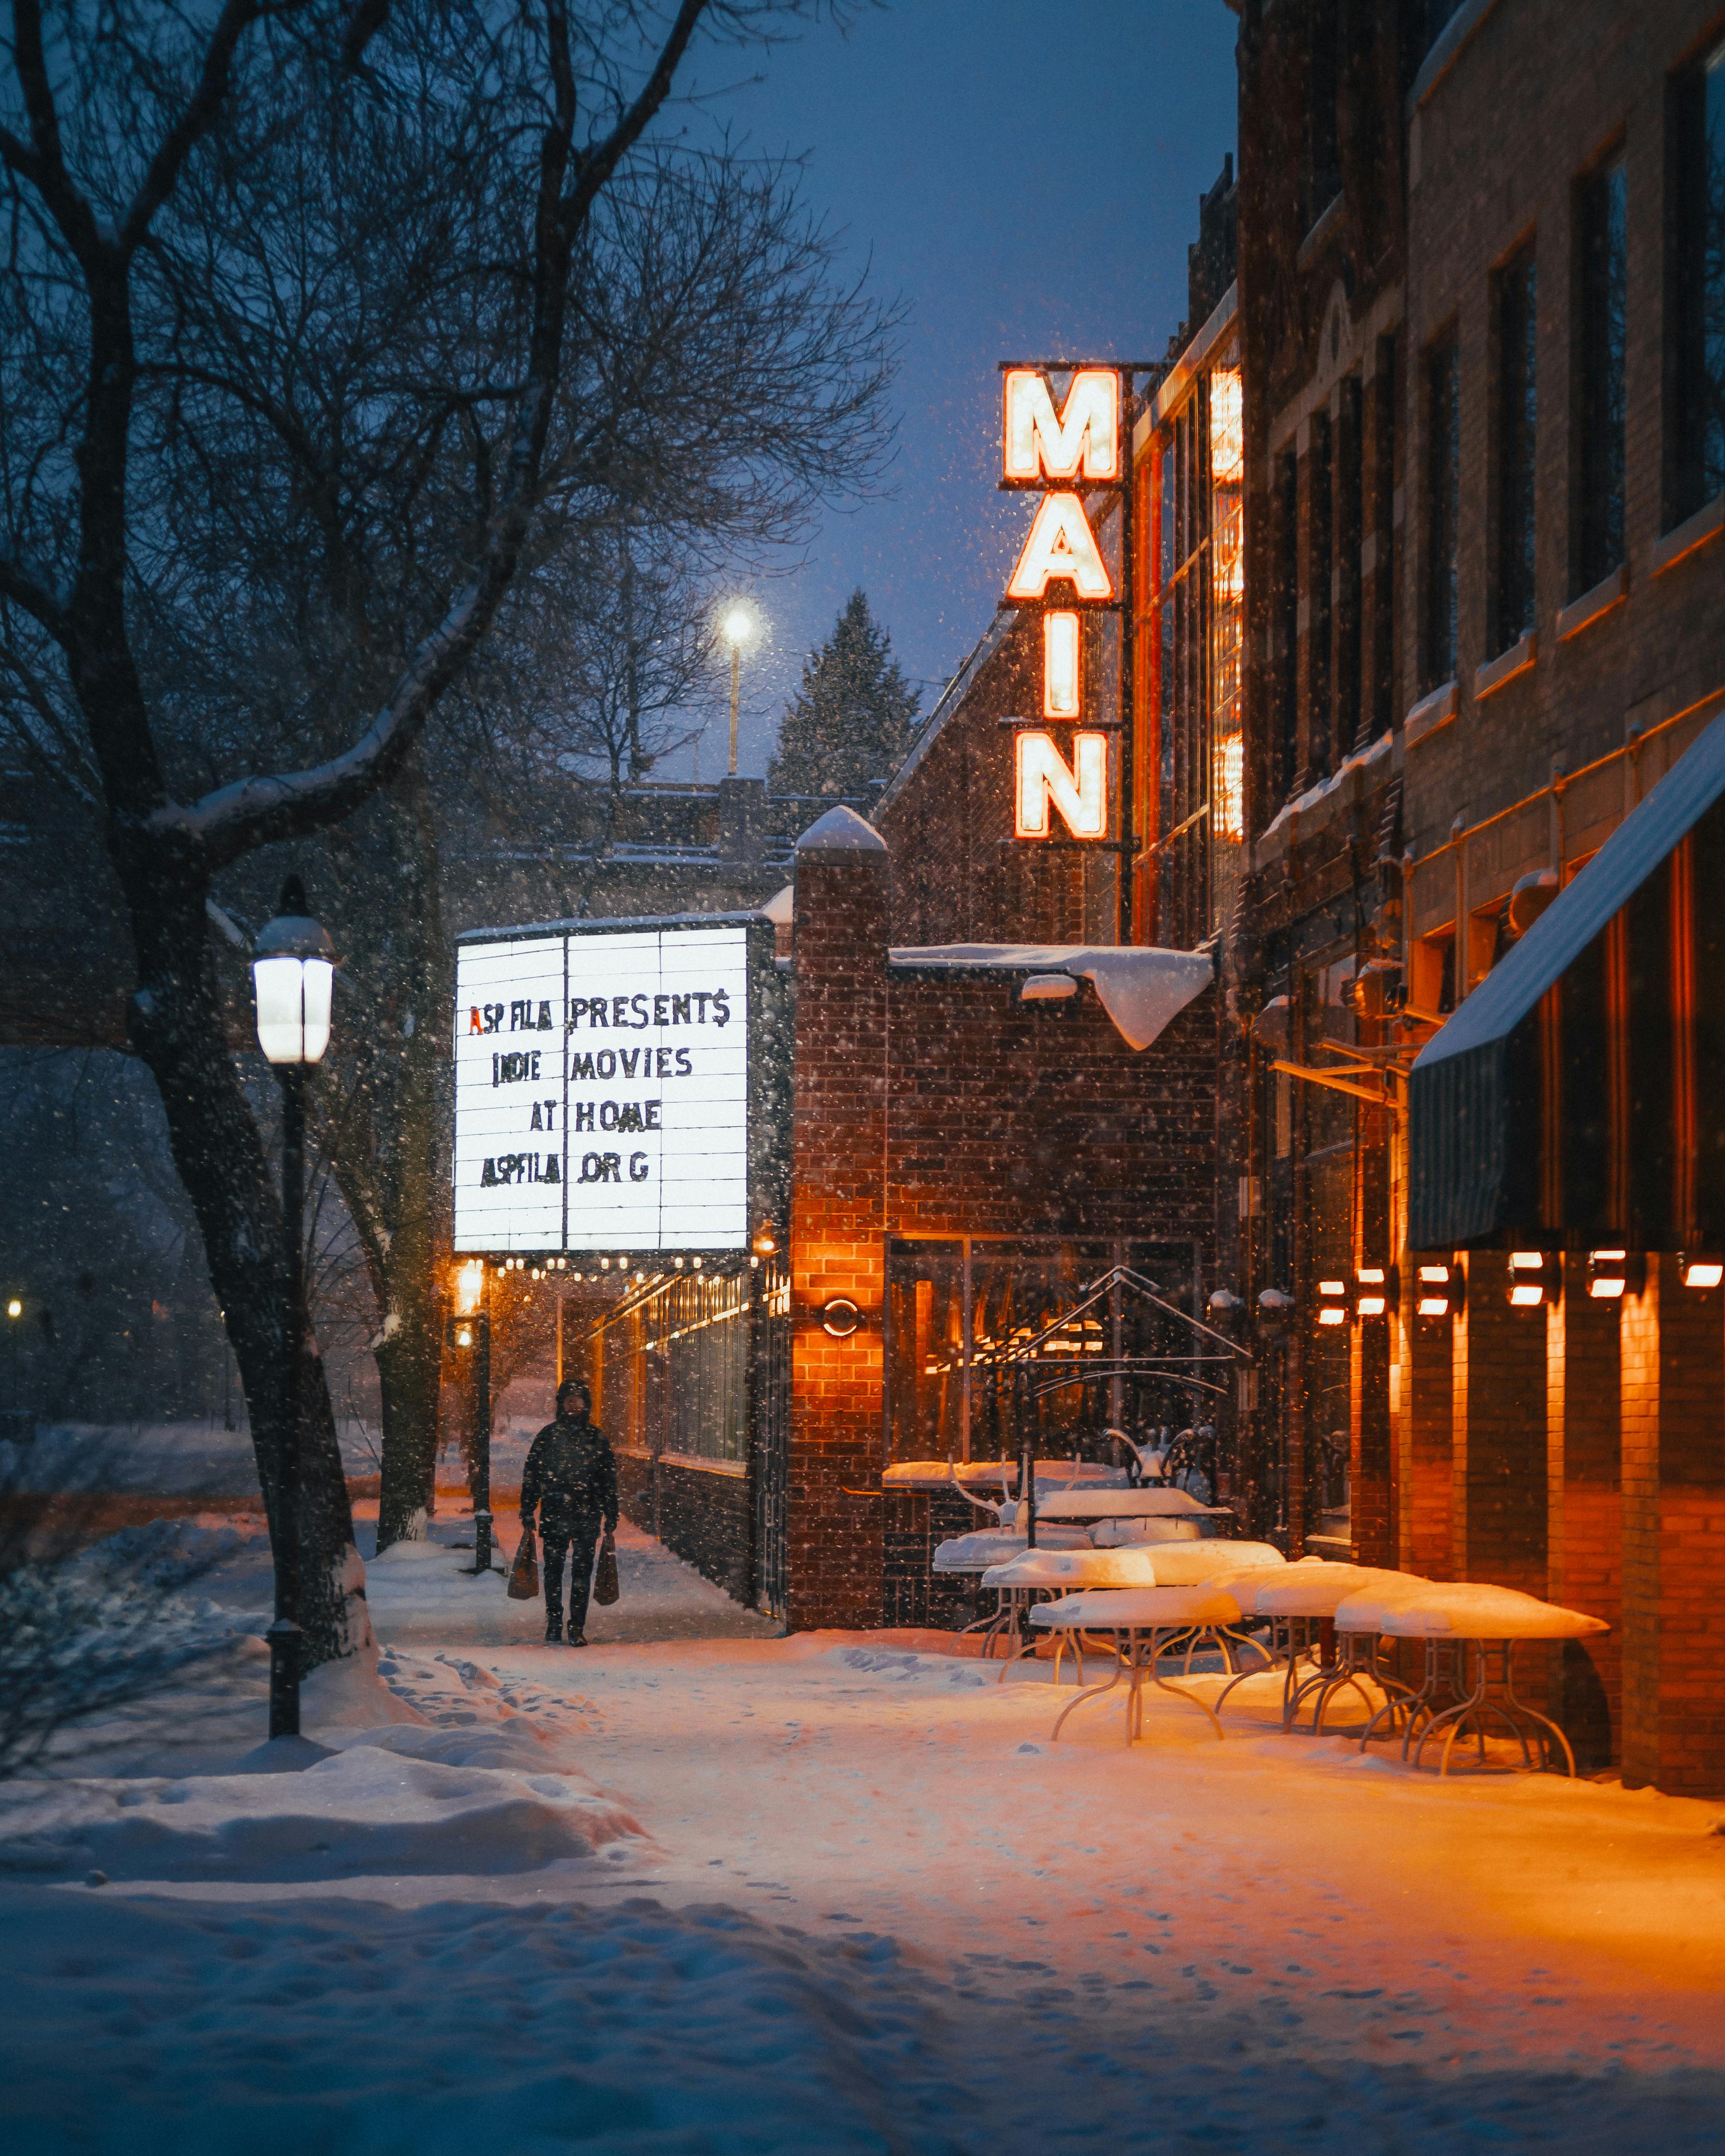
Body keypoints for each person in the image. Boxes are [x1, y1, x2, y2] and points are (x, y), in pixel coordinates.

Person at [519, 1378, 618, 1646]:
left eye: (578, 1400)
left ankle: (576, 1627)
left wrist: (611, 1512)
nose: (574, 1404)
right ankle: (554, 1622)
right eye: (569, 1400)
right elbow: (533, 1475)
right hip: (555, 1513)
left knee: (582, 1574)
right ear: (561, 1404)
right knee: (553, 1571)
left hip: (587, 1514)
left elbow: (608, 1478)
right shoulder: (548, 1436)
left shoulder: (596, 1438)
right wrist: (528, 1510)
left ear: (586, 1404)